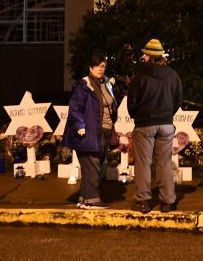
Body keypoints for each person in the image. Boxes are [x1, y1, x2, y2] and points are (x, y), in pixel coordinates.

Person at [127, 38, 182, 214]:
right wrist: (167, 115)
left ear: (150, 56)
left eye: (144, 54)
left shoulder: (140, 76)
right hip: (166, 124)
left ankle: (143, 201)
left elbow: (132, 103)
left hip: (145, 125)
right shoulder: (173, 75)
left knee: (143, 163)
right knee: (164, 162)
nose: (142, 56)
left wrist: (138, 116)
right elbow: (177, 100)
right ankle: (168, 201)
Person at [65, 51, 118, 210]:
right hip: (90, 131)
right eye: (97, 66)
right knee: (92, 164)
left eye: (103, 66)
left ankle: (84, 198)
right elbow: (74, 108)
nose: (100, 69)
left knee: (95, 165)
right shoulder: (84, 85)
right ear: (90, 67)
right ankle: (92, 200)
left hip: (105, 131)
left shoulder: (105, 84)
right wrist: (80, 126)